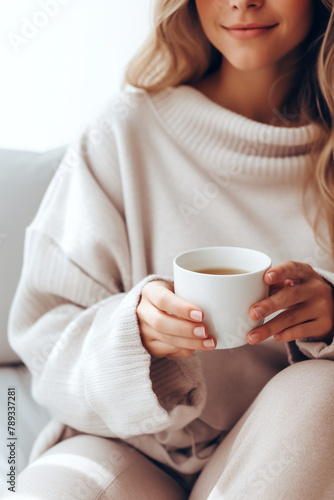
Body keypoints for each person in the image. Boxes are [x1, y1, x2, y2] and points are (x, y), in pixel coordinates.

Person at [4, 0, 334, 499]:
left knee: (322, 392)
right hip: (123, 449)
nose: (242, 2)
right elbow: (43, 340)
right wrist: (132, 336)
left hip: (289, 459)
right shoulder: (124, 131)